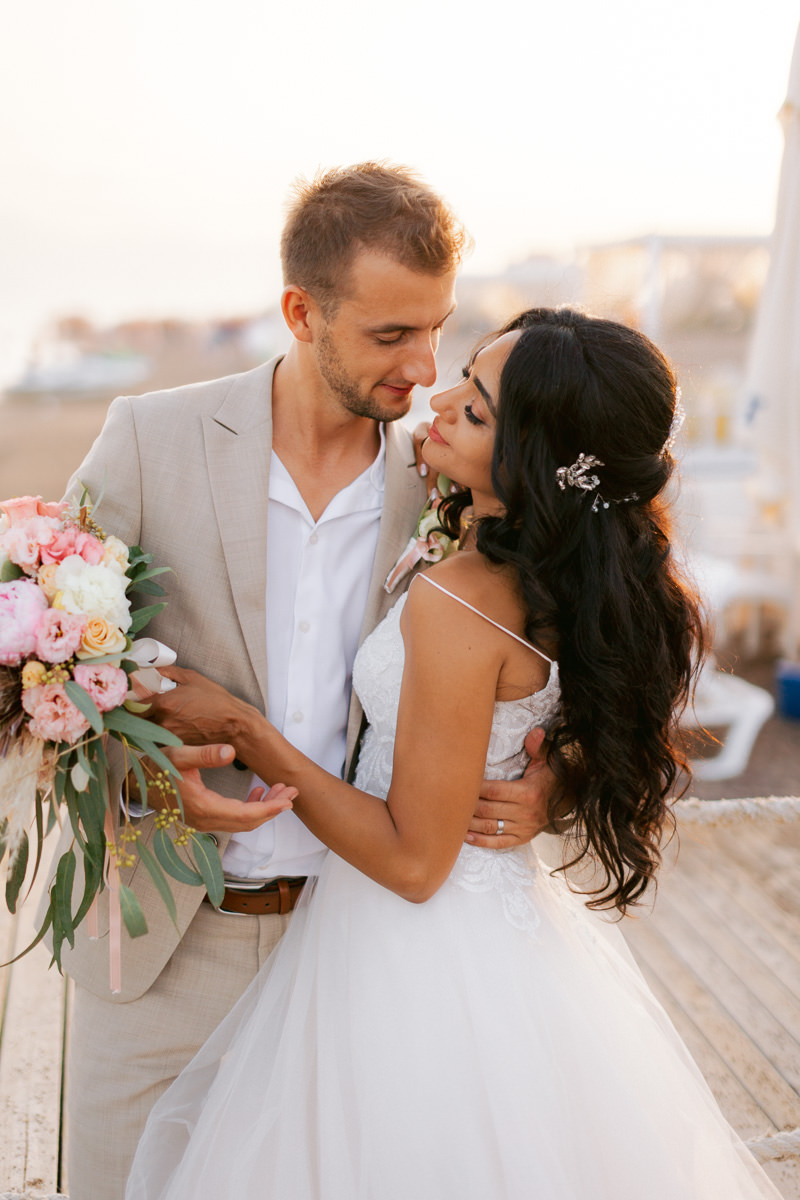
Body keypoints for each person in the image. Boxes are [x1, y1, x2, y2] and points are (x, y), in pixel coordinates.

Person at [128, 309, 780, 1198]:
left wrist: (246, 731)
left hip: (411, 958)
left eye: (472, 411)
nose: (435, 402)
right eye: (464, 380)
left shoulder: (464, 599)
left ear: (535, 465)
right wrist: (562, 778)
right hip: (504, 943)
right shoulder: (558, 572)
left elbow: (411, 861)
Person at [52, 163, 556, 1200]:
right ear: (299, 312)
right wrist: (137, 762)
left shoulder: (450, 475)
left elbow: (581, 647)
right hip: (156, 952)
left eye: (436, 331)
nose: (422, 370)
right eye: (387, 336)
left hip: (350, 954)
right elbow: (39, 659)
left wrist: (561, 779)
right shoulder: (150, 439)